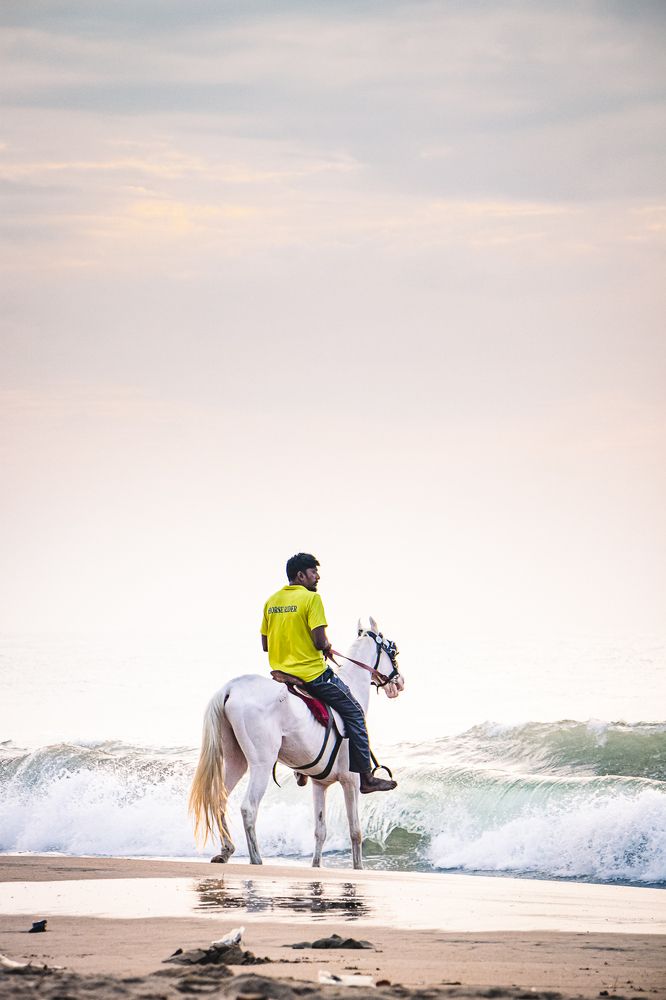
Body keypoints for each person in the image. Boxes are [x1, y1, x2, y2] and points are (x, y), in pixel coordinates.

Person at [261, 552, 397, 794]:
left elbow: (265, 644)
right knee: (355, 712)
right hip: (312, 675)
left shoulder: (271, 601)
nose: (317, 577)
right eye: (313, 572)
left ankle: (301, 769)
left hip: (281, 674)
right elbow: (319, 641)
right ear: (300, 575)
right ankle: (366, 778)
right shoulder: (312, 599)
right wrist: (326, 646)